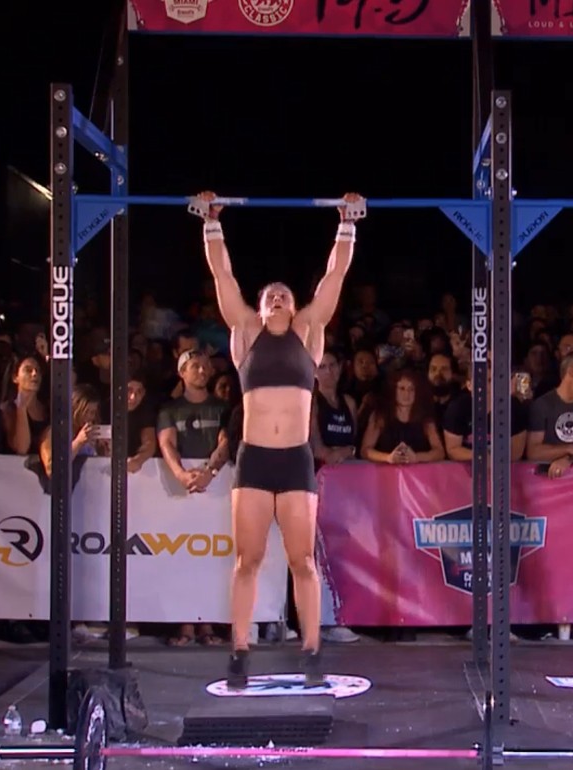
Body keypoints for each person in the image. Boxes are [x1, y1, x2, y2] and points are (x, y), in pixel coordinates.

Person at [197, 190, 361, 687]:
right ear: (262, 304)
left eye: (285, 295)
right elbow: (222, 275)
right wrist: (212, 222)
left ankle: (311, 649)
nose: (276, 299)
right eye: (270, 295)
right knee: (247, 561)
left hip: (293, 461)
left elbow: (335, 276)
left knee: (302, 561)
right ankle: (240, 651)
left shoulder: (309, 331)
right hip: (254, 463)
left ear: (294, 304)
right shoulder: (244, 329)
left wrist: (346, 223)